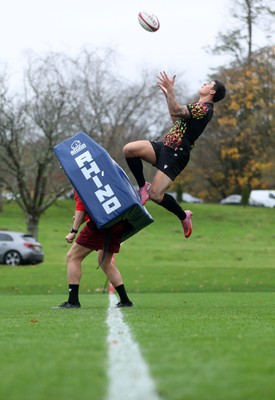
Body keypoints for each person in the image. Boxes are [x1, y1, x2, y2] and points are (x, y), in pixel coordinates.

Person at [123, 71, 226, 238]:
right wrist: (168, 96)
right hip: (164, 146)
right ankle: (143, 186)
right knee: (129, 149)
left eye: (208, 84)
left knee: (156, 196)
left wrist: (171, 91)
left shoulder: (204, 109)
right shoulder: (197, 107)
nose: (205, 84)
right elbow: (176, 119)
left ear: (212, 92)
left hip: (176, 155)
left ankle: (183, 216)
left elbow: (177, 110)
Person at [54, 190, 133, 309]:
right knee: (105, 262)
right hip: (118, 223)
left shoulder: (80, 181)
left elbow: (81, 208)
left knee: (73, 257)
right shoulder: (103, 176)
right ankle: (125, 300)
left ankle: (73, 301)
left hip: (98, 226)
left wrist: (73, 231)